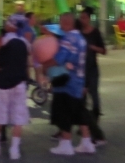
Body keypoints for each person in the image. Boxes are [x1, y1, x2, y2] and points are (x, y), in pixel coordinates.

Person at [46, 11, 96, 155]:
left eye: (61, 22)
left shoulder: (68, 38)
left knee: (63, 112)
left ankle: (66, 144)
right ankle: (87, 143)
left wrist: (46, 65)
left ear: (67, 22)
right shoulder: (80, 38)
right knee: (79, 112)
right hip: (78, 81)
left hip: (66, 82)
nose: (60, 25)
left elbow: (59, 59)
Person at [0, 17, 31, 159]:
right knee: (18, 117)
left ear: (12, 26)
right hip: (20, 82)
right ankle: (15, 150)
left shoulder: (5, 37)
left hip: (3, 81)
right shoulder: (25, 43)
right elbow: (27, 64)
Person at [77, 7, 107, 148]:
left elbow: (103, 50)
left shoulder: (95, 33)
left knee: (94, 99)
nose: (82, 19)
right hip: (80, 71)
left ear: (89, 18)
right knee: (80, 102)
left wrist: (92, 47)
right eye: (81, 17)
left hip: (92, 71)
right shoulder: (77, 32)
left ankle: (94, 128)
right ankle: (85, 127)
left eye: (84, 17)